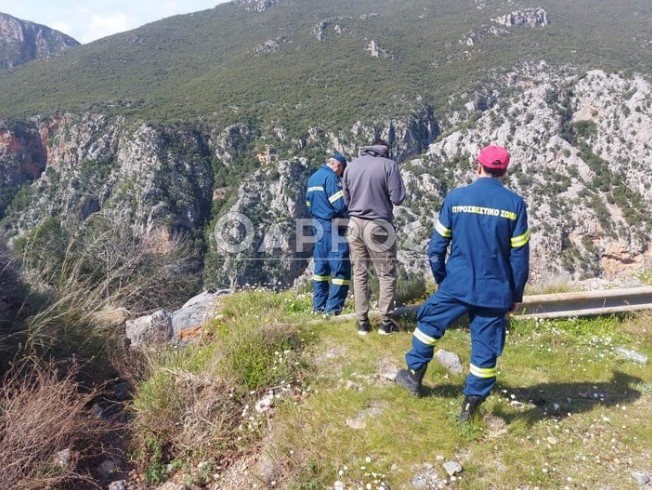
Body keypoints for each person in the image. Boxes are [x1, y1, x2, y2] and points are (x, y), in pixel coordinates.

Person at [395, 145, 530, 423]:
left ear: (477, 166)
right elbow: (519, 258)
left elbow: (435, 248)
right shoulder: (515, 205)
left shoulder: (456, 198)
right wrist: (515, 295)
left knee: (428, 325)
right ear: (504, 171)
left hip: (456, 283)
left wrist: (442, 280)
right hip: (495, 290)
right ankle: (469, 411)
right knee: (486, 349)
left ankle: (413, 376)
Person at [342, 138, 406, 335]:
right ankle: (385, 322)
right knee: (385, 273)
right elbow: (398, 198)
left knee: (359, 272)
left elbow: (346, 198)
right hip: (378, 225)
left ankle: (362, 321)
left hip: (354, 223)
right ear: (385, 150)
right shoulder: (389, 166)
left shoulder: (351, 166)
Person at [305, 152, 351, 315]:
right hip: (331, 228)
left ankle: (318, 308)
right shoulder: (331, 178)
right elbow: (339, 205)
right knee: (341, 268)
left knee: (321, 270)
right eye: (342, 172)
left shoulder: (313, 178)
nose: (341, 175)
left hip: (317, 227)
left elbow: (309, 205)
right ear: (338, 165)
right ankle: (332, 310)